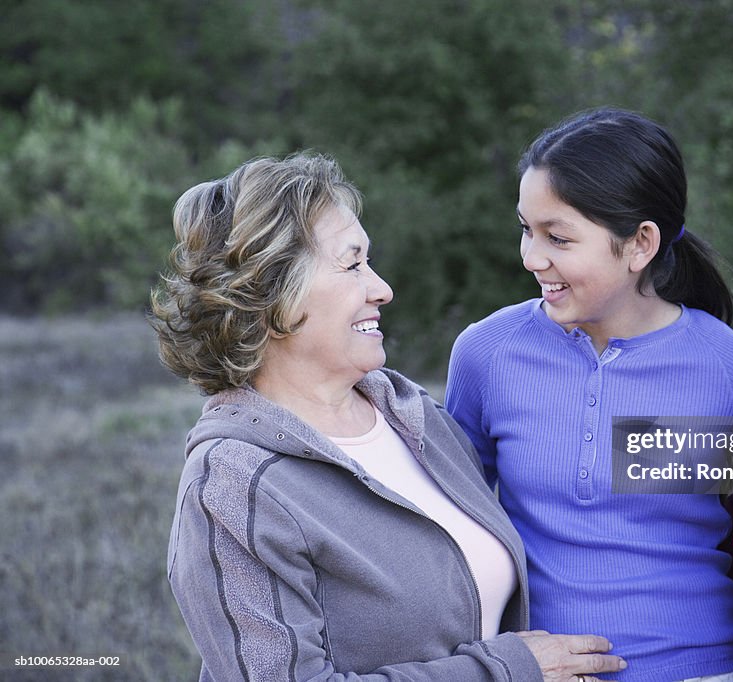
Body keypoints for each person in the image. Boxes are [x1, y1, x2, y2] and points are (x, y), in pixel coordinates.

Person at [150, 152, 627, 681]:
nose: (382, 288)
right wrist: (507, 672)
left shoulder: (414, 416)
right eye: (352, 264)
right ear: (272, 294)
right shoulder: (233, 484)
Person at [445, 109, 733, 681]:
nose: (531, 257)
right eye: (526, 229)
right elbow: (454, 528)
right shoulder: (486, 354)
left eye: (558, 237)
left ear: (640, 243)